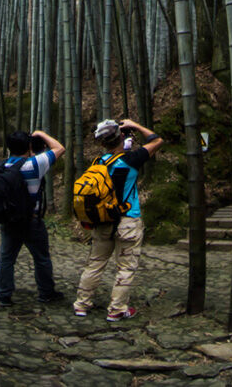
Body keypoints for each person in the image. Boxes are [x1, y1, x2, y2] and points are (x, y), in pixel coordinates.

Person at [73, 117, 163, 322]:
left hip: (103, 221)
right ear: (121, 136)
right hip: (128, 221)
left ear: (102, 143)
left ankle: (81, 304)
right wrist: (136, 126)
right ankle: (117, 309)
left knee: (95, 264)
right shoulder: (131, 159)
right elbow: (157, 141)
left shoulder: (98, 163)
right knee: (126, 267)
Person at [0, 129, 65, 307]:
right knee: (41, 258)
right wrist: (41, 134)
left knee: (6, 258)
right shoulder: (34, 164)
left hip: (9, 220)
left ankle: (4, 294)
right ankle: (46, 293)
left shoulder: (2, 166)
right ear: (28, 146)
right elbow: (59, 148)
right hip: (31, 221)